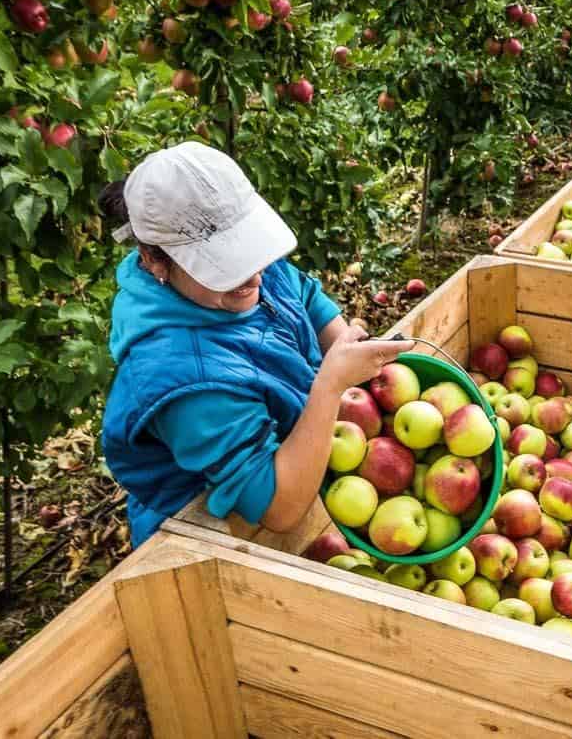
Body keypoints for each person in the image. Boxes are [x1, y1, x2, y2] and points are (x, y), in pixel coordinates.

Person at [98, 141, 411, 548]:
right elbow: (279, 509)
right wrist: (331, 386)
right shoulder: (180, 380)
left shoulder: (244, 272)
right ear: (156, 261)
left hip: (304, 454)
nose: (253, 278)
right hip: (209, 541)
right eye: (222, 267)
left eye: (251, 253)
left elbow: (299, 294)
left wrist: (344, 345)